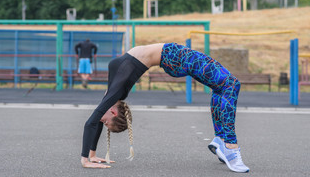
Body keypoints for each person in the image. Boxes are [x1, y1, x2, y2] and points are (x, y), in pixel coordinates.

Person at [80, 42, 250, 173]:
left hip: (173, 56)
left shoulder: (114, 93)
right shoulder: (115, 93)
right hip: (175, 56)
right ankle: (229, 145)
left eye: (106, 123)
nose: (102, 121)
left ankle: (222, 140)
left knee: (224, 87)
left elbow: (92, 122)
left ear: (113, 111)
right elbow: (94, 121)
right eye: (106, 123)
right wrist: (89, 157)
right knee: (230, 84)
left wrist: (88, 157)